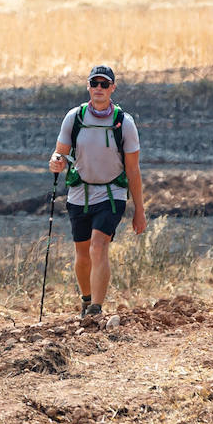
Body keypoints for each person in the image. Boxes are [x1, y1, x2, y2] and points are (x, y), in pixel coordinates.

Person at [47, 65, 146, 319]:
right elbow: (61, 152)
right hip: (79, 193)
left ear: (113, 88)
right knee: (82, 254)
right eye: (95, 84)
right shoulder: (74, 118)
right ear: (88, 86)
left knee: (98, 246)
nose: (99, 88)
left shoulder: (124, 123)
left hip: (112, 195)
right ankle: (86, 299)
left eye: (105, 84)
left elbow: (133, 170)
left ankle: (96, 309)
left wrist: (139, 212)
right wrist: (56, 161)